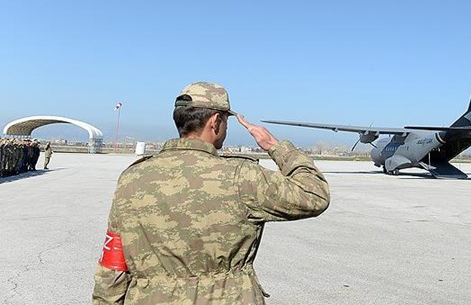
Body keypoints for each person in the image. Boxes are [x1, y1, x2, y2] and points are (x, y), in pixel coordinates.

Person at [92, 82, 331, 304]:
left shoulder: (132, 178)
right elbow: (315, 194)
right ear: (215, 122)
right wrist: (276, 147)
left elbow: (113, 263)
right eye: (226, 120)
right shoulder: (241, 176)